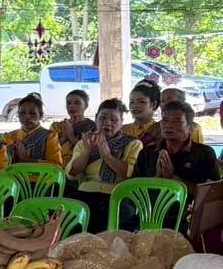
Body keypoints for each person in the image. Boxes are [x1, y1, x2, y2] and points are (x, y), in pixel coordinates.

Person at [65, 98, 142, 232]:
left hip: (117, 195)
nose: (107, 123)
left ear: (122, 122)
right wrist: (88, 150)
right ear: (96, 119)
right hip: (85, 192)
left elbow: (130, 174)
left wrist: (107, 156)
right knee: (66, 220)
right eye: (103, 118)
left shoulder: (133, 143)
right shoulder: (85, 142)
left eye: (114, 119)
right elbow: (72, 173)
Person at [136, 100, 219, 209]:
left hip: (188, 218)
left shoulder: (204, 153)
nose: (168, 125)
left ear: (190, 128)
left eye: (177, 121)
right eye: (165, 120)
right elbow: (134, 190)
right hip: (149, 217)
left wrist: (174, 179)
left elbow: (214, 195)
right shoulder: (147, 153)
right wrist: (157, 179)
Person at [4, 94, 62, 166]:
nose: (27, 117)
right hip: (11, 177)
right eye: (22, 113)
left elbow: (56, 165)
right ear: (18, 115)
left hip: (41, 177)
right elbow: (2, 164)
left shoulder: (49, 136)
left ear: (40, 116)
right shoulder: (10, 136)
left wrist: (25, 159)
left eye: (32, 113)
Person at [52, 89, 96, 164]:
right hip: (58, 167)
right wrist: (64, 137)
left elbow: (92, 152)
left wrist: (71, 137)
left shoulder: (93, 127)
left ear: (86, 106)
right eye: (68, 103)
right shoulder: (57, 126)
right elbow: (51, 150)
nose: (72, 106)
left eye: (77, 103)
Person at [124, 80, 164, 150]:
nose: (135, 106)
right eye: (132, 102)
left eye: (141, 102)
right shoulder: (121, 130)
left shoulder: (161, 130)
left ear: (153, 104)